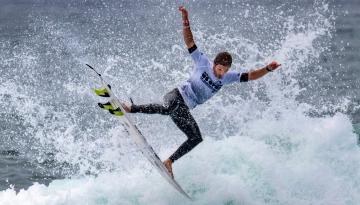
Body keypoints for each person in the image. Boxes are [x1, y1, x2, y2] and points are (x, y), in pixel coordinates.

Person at [122, 6, 281, 178]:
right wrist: (185, 18)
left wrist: (268, 69)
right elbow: (190, 42)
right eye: (219, 69)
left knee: (196, 137)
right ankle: (132, 108)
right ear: (214, 64)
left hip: (183, 109)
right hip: (176, 96)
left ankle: (169, 162)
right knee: (170, 107)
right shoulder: (203, 62)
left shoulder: (227, 77)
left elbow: (251, 76)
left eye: (224, 71)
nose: (221, 73)